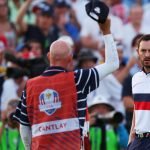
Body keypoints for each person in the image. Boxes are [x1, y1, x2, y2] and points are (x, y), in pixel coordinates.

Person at [13, 18, 119, 150]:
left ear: (48, 56)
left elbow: (24, 126)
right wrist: (106, 31)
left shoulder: (30, 86)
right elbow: (112, 64)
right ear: (70, 59)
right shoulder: (78, 78)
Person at [128, 34, 150, 150]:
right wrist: (131, 135)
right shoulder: (135, 78)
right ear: (138, 52)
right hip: (138, 141)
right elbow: (137, 109)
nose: (147, 55)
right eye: (143, 51)